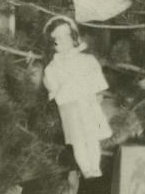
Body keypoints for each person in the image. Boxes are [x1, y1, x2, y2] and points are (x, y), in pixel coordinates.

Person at [42, 16, 111, 179]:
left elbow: (97, 81)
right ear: (52, 43)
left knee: (92, 137)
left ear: (73, 37)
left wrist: (97, 98)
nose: (62, 41)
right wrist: (62, 92)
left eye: (66, 36)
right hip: (70, 107)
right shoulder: (53, 66)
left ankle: (95, 166)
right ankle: (86, 168)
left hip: (88, 104)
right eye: (57, 38)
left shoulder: (87, 60)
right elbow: (52, 85)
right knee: (78, 139)